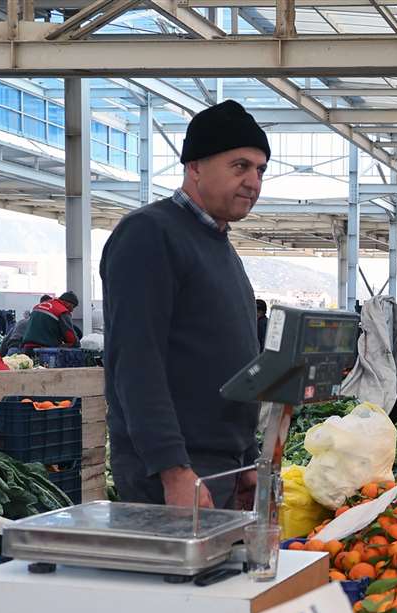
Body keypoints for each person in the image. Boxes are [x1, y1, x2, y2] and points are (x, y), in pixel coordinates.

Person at [101, 99, 269, 510]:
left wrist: (246, 456)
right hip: (176, 470)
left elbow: (229, 361)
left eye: (261, 170)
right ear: (195, 166)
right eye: (240, 166)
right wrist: (173, 470)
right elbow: (136, 361)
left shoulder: (221, 247)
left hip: (220, 466)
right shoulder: (149, 234)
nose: (253, 181)